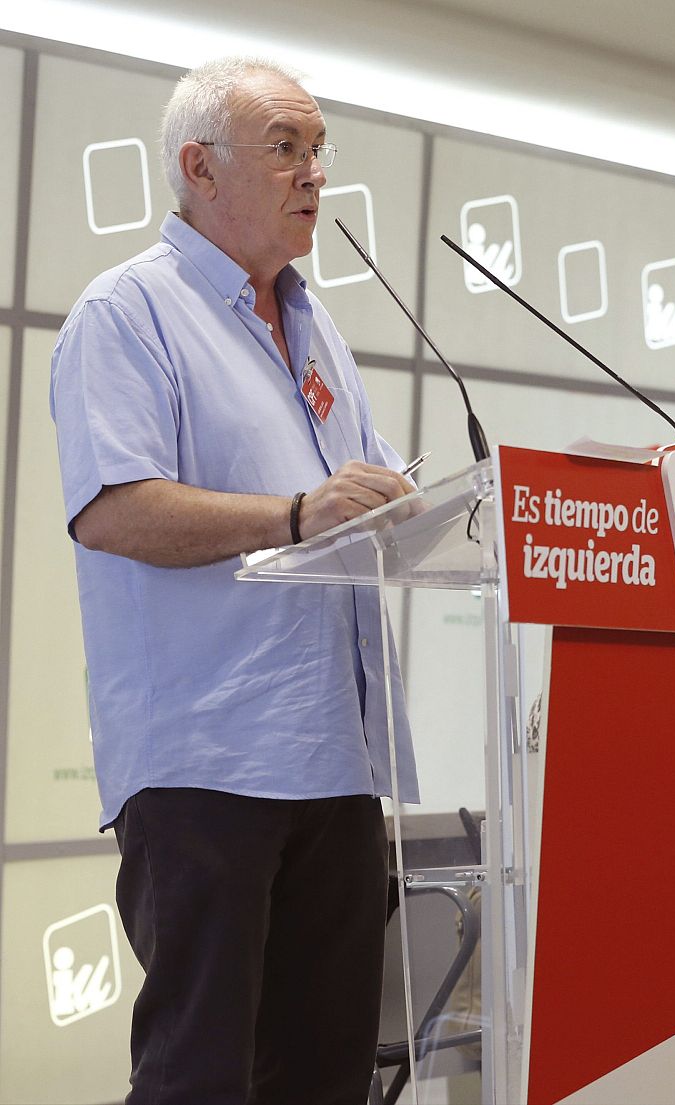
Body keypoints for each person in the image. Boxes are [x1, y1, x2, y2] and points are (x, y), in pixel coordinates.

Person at [50, 57, 417, 1103]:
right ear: (198, 167)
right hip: (204, 761)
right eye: (286, 148)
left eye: (318, 150)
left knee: (323, 1076)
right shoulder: (126, 313)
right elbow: (115, 507)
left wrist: (396, 499)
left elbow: (372, 494)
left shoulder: (316, 326)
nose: (314, 174)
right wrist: (298, 514)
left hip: (335, 759)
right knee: (199, 1077)